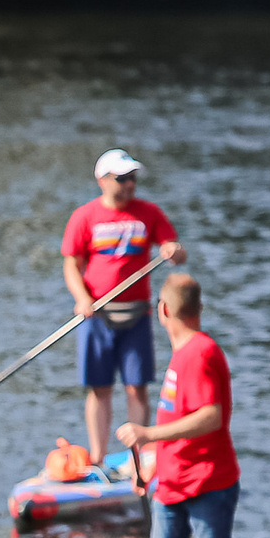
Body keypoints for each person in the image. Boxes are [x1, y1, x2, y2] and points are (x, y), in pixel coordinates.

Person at [117, 273, 250, 538]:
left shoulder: (202, 352)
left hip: (210, 487)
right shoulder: (179, 356)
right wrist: (150, 466)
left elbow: (211, 416)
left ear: (164, 310)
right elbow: (179, 419)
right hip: (171, 487)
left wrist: (147, 431)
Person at [61, 149, 184, 470]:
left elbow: (174, 250)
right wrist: (82, 297)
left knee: (136, 387)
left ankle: (138, 458)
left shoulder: (148, 213)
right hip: (98, 315)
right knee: (100, 389)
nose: (130, 185)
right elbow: (72, 264)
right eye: (123, 179)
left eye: (133, 178)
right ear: (102, 181)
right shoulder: (84, 217)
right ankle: (98, 457)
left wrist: (173, 250)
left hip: (136, 315)